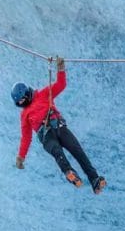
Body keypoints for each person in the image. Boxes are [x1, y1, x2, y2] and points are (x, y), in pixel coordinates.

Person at [11, 57, 106, 193]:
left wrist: (60, 69)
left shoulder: (43, 94)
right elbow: (26, 137)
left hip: (59, 127)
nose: (23, 104)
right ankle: (69, 172)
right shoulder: (24, 115)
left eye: (23, 100)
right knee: (57, 151)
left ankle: (95, 179)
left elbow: (60, 84)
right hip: (46, 136)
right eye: (20, 103)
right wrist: (21, 156)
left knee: (77, 151)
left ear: (27, 93)